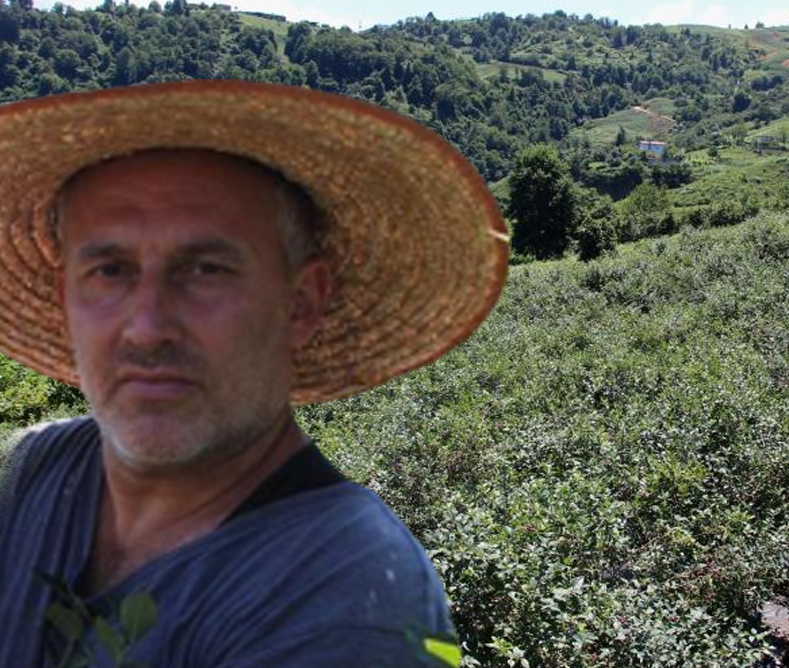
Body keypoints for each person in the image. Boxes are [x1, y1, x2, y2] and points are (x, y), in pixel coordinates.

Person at [0, 80, 509, 667]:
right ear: (65, 298)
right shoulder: (34, 466)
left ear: (300, 303)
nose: (146, 326)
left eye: (206, 269)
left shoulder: (348, 593)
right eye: (110, 270)